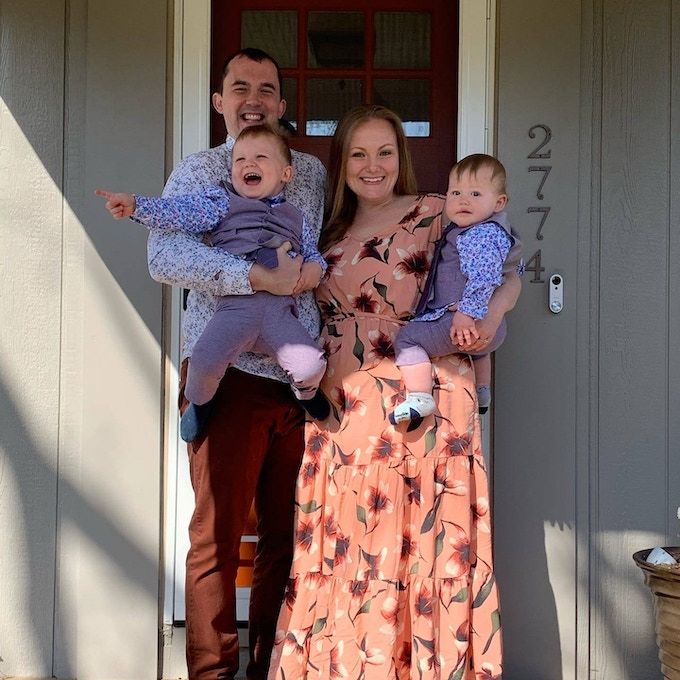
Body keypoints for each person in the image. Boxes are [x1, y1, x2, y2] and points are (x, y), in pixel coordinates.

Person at [268, 105, 519, 680]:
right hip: (344, 406)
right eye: (358, 153)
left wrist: (488, 319)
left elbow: (507, 274)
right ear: (343, 164)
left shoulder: (438, 212)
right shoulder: (325, 232)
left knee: (425, 541)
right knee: (349, 540)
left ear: (400, 158)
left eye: (384, 152)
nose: (371, 165)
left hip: (422, 398)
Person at [147, 48, 327, 680]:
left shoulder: (308, 172)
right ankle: (211, 674)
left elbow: (316, 248)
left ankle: (271, 669)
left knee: (286, 540)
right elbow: (164, 258)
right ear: (219, 101)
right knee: (216, 540)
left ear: (281, 105)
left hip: (298, 382)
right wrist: (249, 276)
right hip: (228, 379)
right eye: (239, 86)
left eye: (268, 89)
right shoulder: (199, 172)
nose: (254, 97)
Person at [96, 124, 330, 442]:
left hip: (280, 316)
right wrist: (138, 206)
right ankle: (200, 403)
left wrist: (314, 271)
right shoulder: (221, 203)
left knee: (311, 364)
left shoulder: (296, 216)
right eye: (240, 160)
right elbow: (180, 212)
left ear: (286, 174)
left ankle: (306, 393)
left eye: (261, 157)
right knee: (204, 360)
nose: (248, 164)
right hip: (235, 311)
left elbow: (313, 254)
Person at [390, 153, 522, 424]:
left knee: (408, 340)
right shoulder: (497, 232)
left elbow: (484, 278)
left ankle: (419, 396)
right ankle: (483, 393)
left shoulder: (478, 234)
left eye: (475, 193)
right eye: (456, 192)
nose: (463, 200)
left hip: (463, 321)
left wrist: (467, 311)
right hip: (491, 331)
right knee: (479, 350)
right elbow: (511, 270)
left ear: (499, 202)